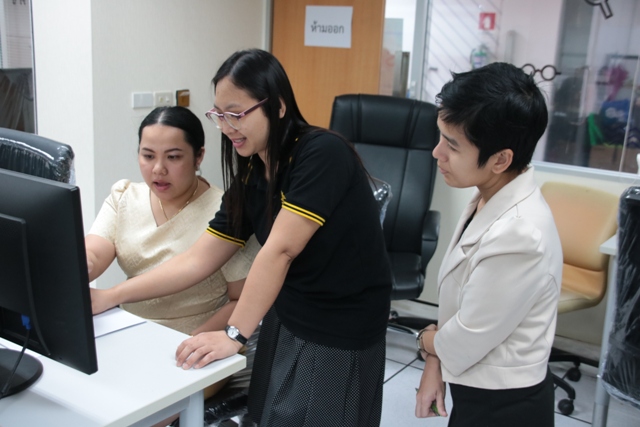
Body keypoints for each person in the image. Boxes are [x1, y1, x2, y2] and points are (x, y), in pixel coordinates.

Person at [90, 49, 393, 426]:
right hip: (290, 310)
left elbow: (280, 251)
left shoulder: (321, 154)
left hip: (338, 323)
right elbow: (199, 258)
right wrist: (112, 295)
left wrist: (233, 334)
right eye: (219, 115)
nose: (227, 126)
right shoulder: (254, 171)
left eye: (236, 114)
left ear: (277, 107)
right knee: (270, 415)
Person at [415, 62, 563, 427]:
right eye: (440, 137)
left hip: (504, 406)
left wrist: (425, 339)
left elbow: (464, 339)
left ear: (501, 159)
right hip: (475, 387)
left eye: (452, 145)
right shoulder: (489, 194)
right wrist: (434, 360)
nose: (436, 153)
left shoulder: (520, 234)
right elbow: (463, 308)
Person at [87, 106, 258, 337]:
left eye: (173, 157)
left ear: (199, 156)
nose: (158, 169)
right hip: (127, 331)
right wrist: (81, 265)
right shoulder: (125, 196)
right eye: (148, 156)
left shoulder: (226, 213)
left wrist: (192, 341)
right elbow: (95, 253)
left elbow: (243, 299)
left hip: (194, 342)